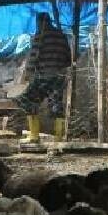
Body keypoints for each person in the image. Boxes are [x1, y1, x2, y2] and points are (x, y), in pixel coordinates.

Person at [13, 12, 73, 142]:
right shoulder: (61, 36)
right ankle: (59, 137)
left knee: (26, 99)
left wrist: (27, 75)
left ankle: (34, 135)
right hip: (58, 76)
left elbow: (33, 57)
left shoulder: (40, 36)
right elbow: (69, 59)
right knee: (56, 104)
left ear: (39, 22)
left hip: (44, 76)